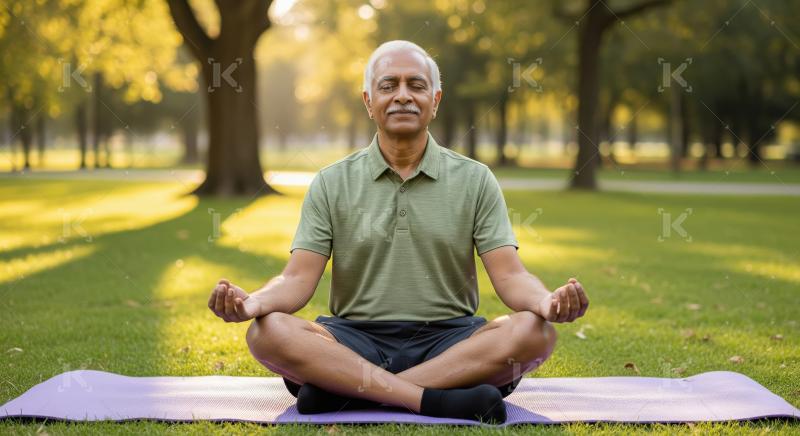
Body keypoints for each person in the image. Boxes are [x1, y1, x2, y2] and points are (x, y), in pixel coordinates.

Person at [207, 40, 589, 424]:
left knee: (534, 332)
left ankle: (348, 391)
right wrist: (254, 303)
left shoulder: (475, 179)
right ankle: (431, 399)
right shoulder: (330, 182)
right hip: (352, 340)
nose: (402, 96)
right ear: (368, 101)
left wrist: (545, 303)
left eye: (416, 85)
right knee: (266, 331)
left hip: (451, 342)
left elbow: (510, 274)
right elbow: (297, 279)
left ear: (435, 100)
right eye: (388, 86)